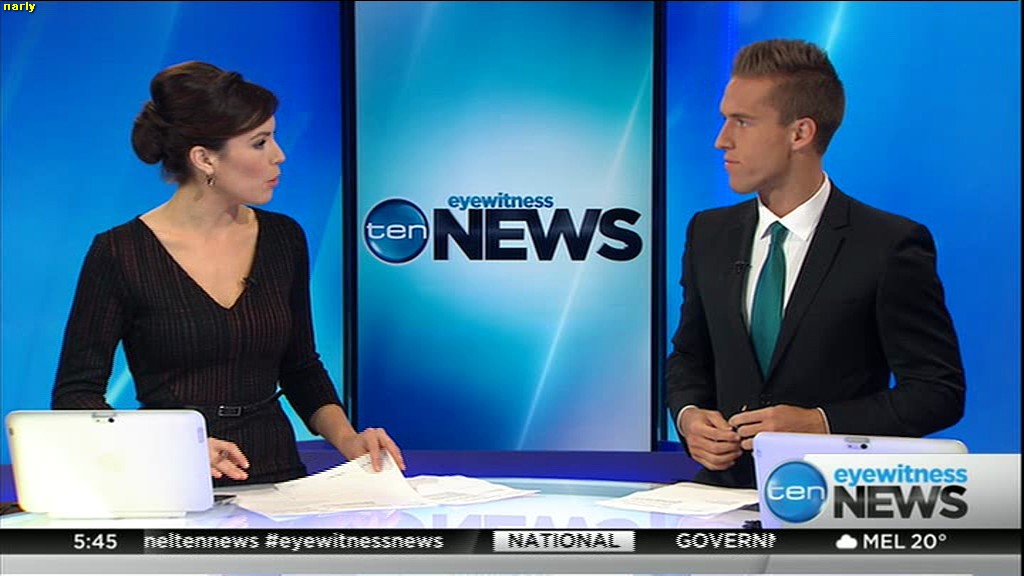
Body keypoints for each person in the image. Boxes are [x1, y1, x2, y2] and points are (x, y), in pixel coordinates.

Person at [51, 61, 403, 486]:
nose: (279, 155)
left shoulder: (283, 238)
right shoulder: (119, 252)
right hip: (173, 482)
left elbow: (300, 367)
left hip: (278, 479)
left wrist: (349, 440)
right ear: (204, 159)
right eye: (260, 142)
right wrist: (171, 448)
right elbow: (76, 395)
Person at [665, 39, 965, 488]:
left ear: (800, 133)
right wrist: (690, 417)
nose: (721, 139)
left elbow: (937, 392)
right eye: (725, 119)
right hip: (723, 496)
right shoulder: (708, 233)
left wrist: (822, 423)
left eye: (742, 122)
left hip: (836, 500)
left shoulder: (889, 245)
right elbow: (690, 356)